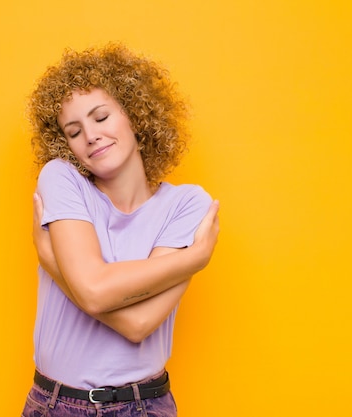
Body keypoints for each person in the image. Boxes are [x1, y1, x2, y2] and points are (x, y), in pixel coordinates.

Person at [22, 43, 220, 417]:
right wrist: (195, 259)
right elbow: (96, 293)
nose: (91, 136)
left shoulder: (187, 204)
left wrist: (53, 264)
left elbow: (138, 324)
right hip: (56, 405)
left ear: (135, 116)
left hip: (144, 406)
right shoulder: (61, 179)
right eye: (73, 131)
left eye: (100, 117)